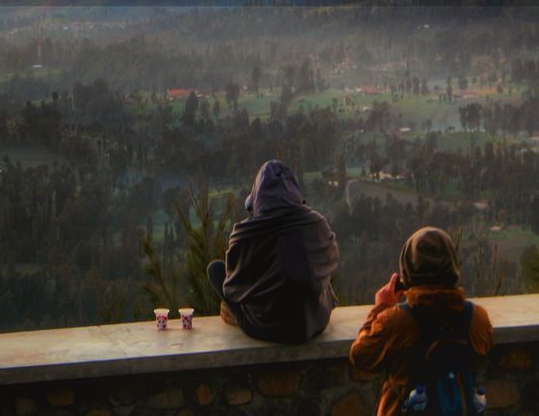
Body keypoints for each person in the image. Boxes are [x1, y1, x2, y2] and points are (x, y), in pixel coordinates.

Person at [349, 227, 493, 416]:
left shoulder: (397, 320)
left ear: (407, 271)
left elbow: (361, 357)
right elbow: (483, 351)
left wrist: (381, 308)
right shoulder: (476, 317)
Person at [207, 159, 339, 343]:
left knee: (215, 270)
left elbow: (232, 287)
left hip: (267, 327)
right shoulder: (316, 224)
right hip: (315, 322)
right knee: (311, 266)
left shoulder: (246, 234)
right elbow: (331, 261)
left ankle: (238, 318)